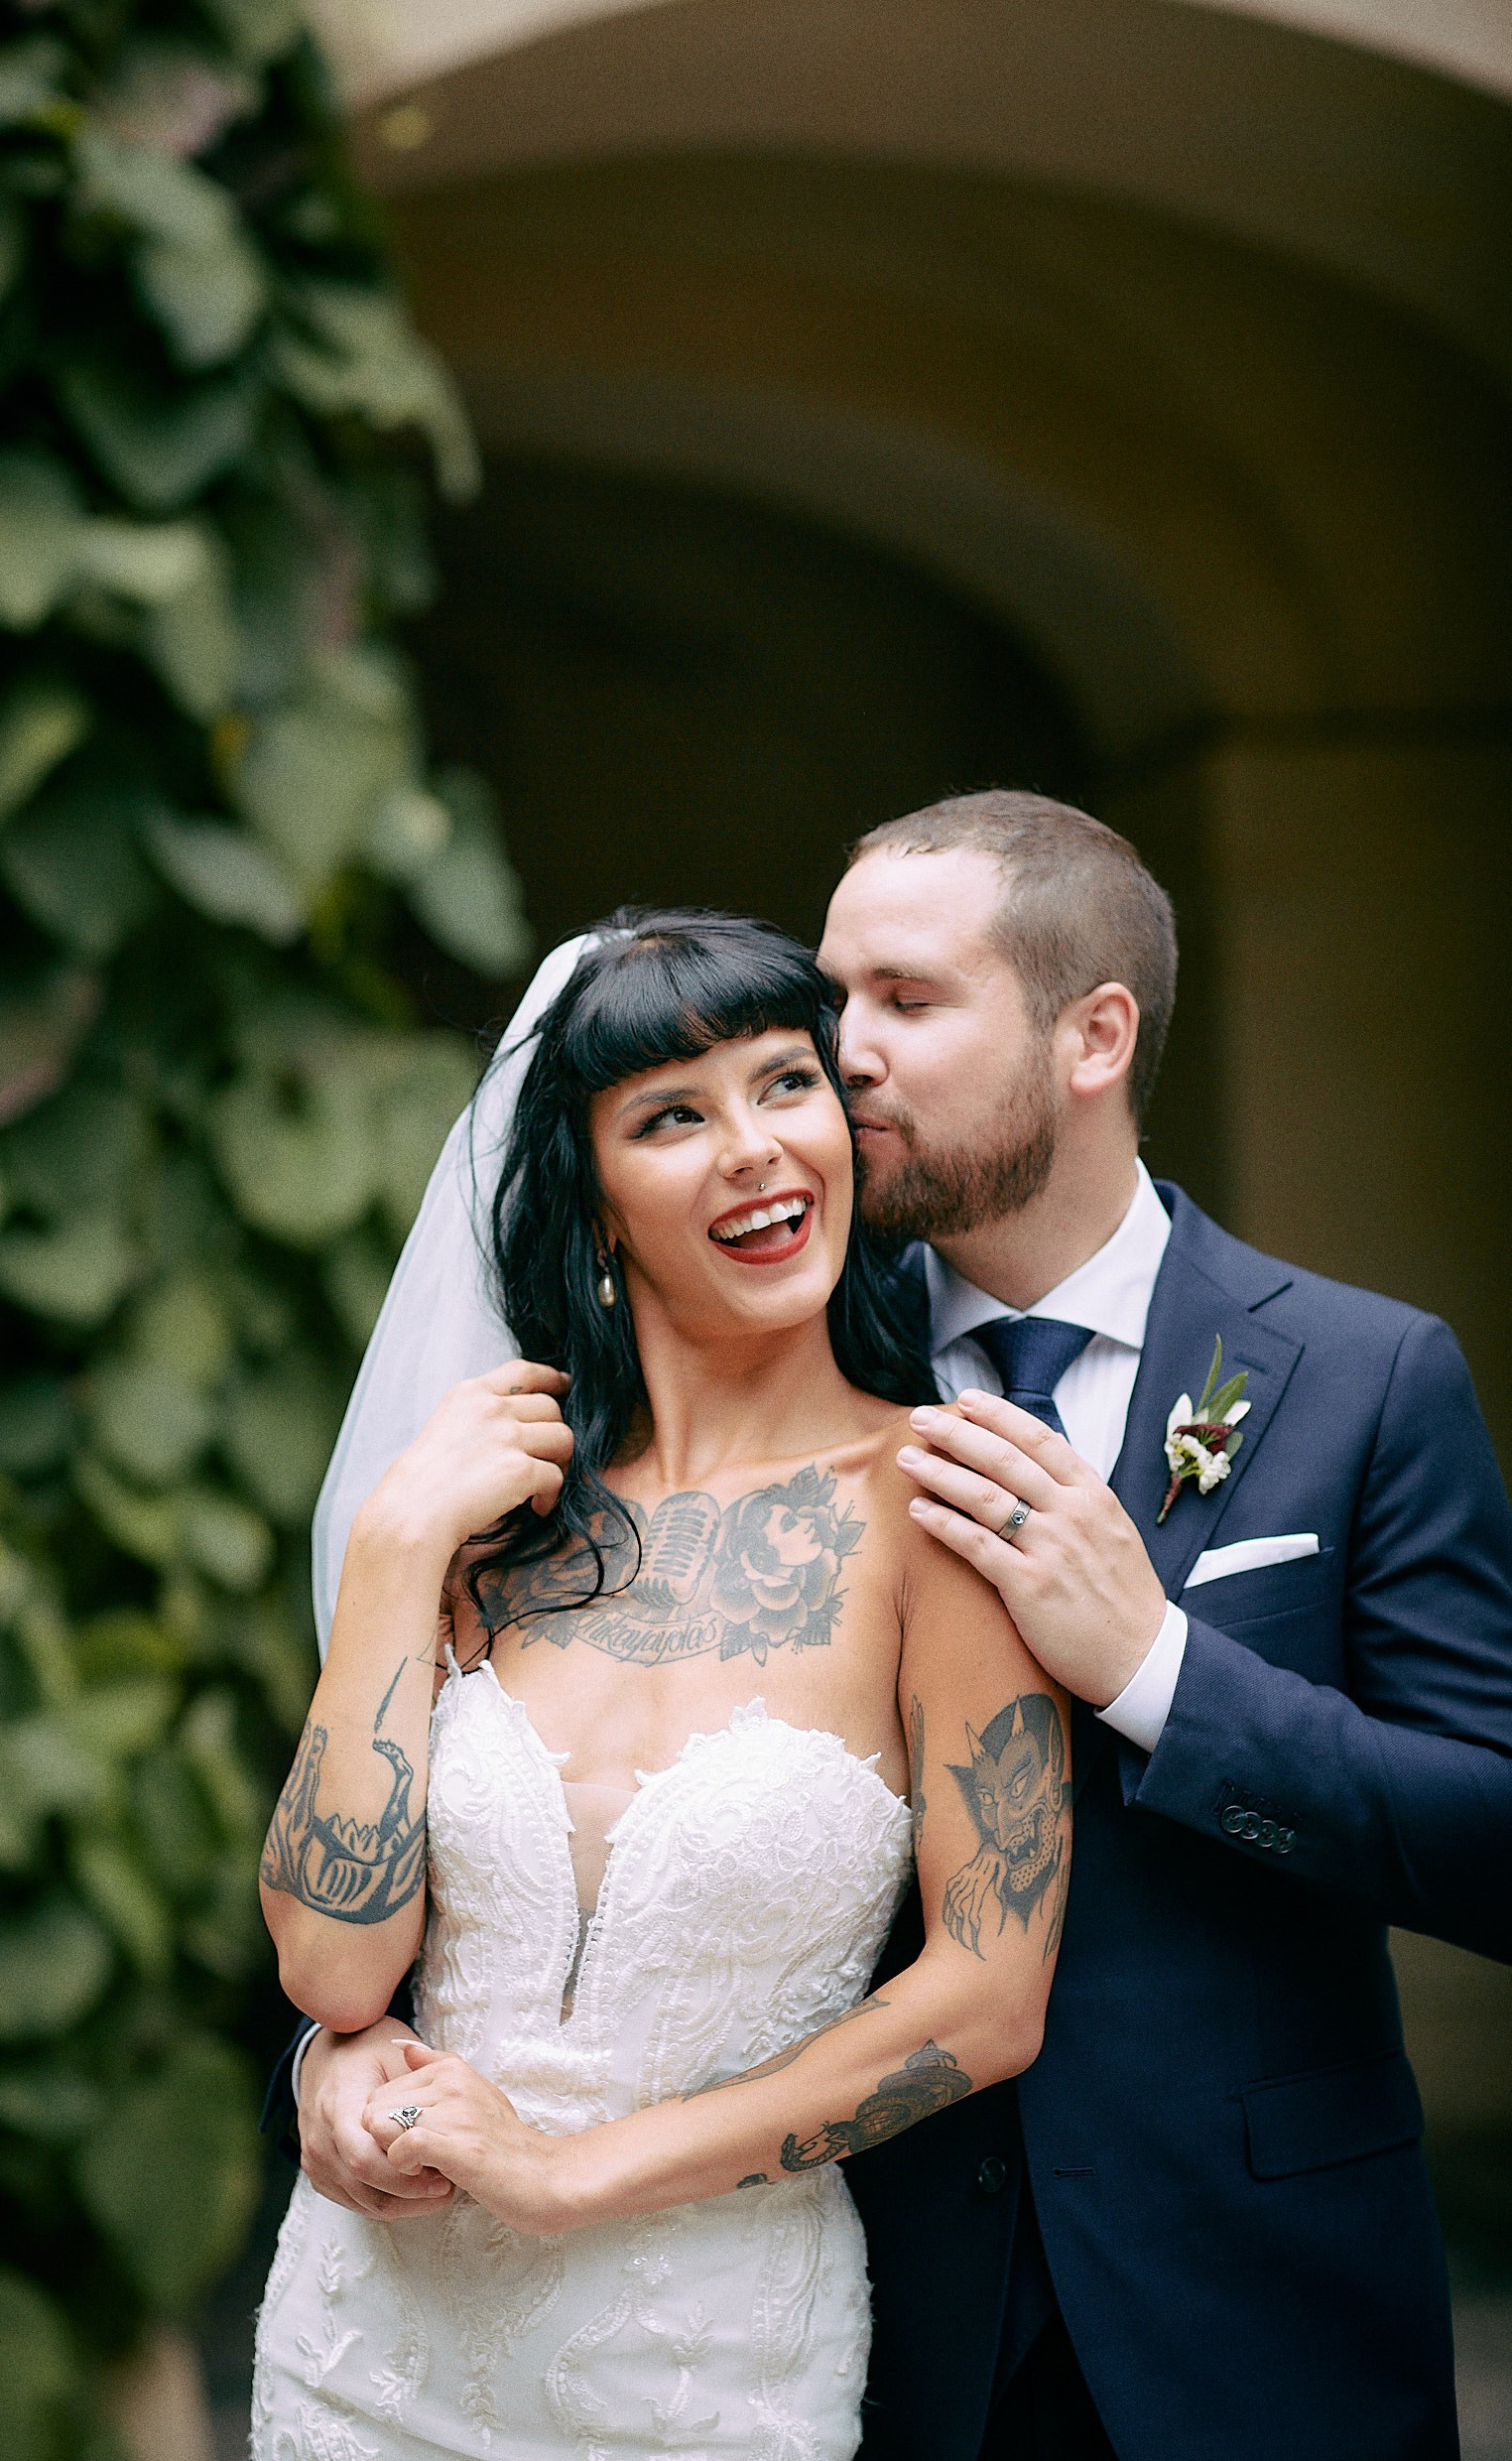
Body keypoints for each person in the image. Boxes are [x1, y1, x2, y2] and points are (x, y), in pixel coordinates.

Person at [292, 792, 1512, 2461]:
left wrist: (1155, 1671)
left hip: (1241, 2298)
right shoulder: (777, 1348)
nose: (841, 1053)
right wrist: (343, 2052)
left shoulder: (1361, 1382)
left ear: (1091, 1037)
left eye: (902, 1004)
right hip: (877, 2312)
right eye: (834, 1004)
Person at [250, 912, 1069, 2461]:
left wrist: (571, 2174)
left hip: (706, 2367)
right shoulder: (484, 1518)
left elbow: (988, 1995)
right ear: (597, 1198)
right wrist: (389, 1559)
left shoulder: (939, 1510)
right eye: (673, 1116)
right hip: (364, 2343)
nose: (754, 1150)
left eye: (784, 1085)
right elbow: (337, 1975)